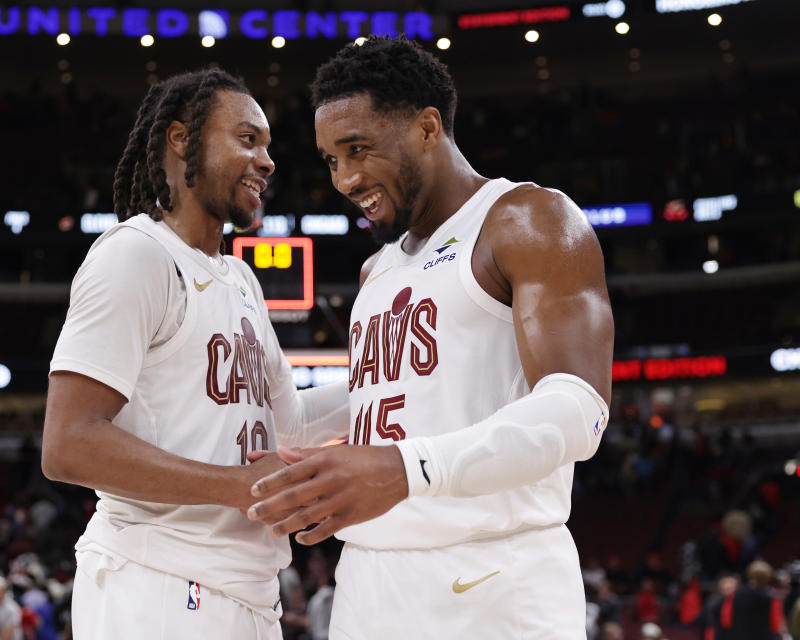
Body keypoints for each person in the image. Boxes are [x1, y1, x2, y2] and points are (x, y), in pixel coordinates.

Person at [246, 36, 614, 638]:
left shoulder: (525, 219)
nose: (344, 177)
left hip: (490, 574)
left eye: (357, 149)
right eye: (331, 159)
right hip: (367, 578)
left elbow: (580, 411)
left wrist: (403, 467)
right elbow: (388, 395)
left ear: (426, 126)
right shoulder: (377, 269)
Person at [42, 67, 348, 639]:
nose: (267, 160)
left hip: (245, 591)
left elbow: (293, 424)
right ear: (181, 140)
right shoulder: (136, 255)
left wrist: (387, 377)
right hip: (157, 583)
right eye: (247, 139)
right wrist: (236, 486)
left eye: (268, 145)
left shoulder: (240, 279)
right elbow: (68, 443)